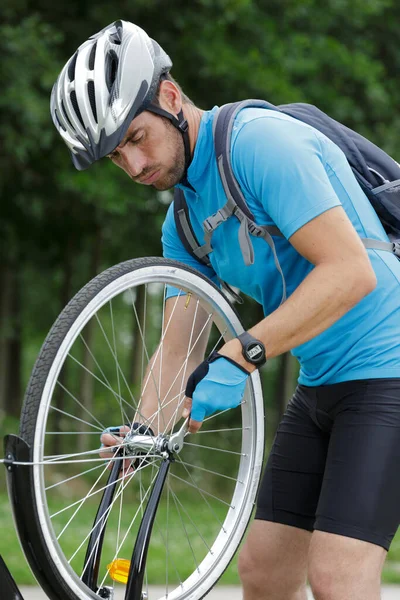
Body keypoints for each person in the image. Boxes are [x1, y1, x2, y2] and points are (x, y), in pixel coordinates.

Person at [51, 19, 400, 600]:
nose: (135, 167)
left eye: (137, 138)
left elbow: (349, 272)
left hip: (389, 369)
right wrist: (144, 435)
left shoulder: (258, 144)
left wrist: (243, 352)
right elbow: (180, 345)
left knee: (339, 577)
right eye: (117, 157)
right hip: (321, 383)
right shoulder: (183, 224)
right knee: (264, 573)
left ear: (169, 97)